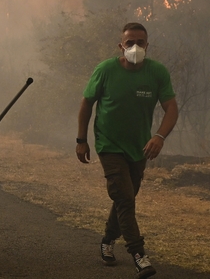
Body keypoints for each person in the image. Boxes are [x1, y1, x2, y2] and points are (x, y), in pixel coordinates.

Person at [76, 22, 178, 279]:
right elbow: (87, 103)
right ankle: (139, 255)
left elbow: (171, 108)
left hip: (139, 148)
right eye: (129, 42)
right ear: (121, 46)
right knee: (124, 198)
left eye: (140, 42)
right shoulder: (106, 70)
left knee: (126, 197)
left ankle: (108, 239)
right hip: (109, 145)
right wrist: (81, 139)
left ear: (147, 45)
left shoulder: (157, 72)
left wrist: (159, 137)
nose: (135, 47)